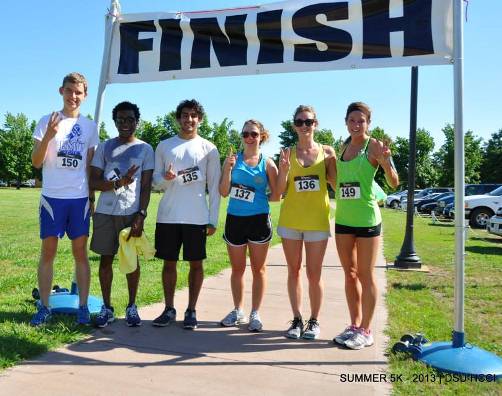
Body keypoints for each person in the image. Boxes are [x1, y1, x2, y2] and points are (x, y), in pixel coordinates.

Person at [30, 72, 99, 326]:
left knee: (80, 253)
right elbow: (36, 162)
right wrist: (49, 134)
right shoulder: (46, 120)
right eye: (69, 90)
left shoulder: (90, 127)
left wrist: (91, 197)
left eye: (78, 92)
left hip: (78, 199)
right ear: (61, 91)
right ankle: (44, 306)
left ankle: (82, 306)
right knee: (48, 252)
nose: (73, 96)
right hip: (53, 198)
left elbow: (90, 166)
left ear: (85, 95)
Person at [333, 102, 399, 350]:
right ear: (346, 122)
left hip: (367, 221)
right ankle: (354, 325)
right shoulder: (344, 146)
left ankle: (367, 330)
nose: (356, 124)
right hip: (343, 220)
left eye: (361, 120)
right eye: (352, 120)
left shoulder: (374, 146)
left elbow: (393, 182)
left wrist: (384, 161)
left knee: (365, 273)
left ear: (368, 123)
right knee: (349, 275)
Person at [152, 99, 221, 330]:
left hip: (196, 217)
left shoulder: (209, 148)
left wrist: (213, 219)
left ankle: (191, 310)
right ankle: (169, 308)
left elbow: (214, 186)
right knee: (168, 264)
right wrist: (166, 179)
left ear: (199, 119)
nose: (188, 119)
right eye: (184, 115)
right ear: (178, 118)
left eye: (193, 115)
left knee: (196, 265)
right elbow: (156, 183)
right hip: (169, 216)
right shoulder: (164, 146)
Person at [89, 101, 154, 328]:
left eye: (129, 119)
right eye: (120, 120)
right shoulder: (104, 147)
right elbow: (94, 181)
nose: (125, 124)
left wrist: (141, 215)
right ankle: (106, 308)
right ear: (114, 122)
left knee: (131, 261)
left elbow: (146, 187)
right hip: (106, 212)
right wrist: (119, 183)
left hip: (130, 214)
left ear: (137, 121)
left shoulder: (145, 149)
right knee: (105, 260)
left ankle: (132, 307)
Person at [276, 105, 336, 340]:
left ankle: (314, 320)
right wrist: (283, 170)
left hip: (317, 221)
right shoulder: (286, 153)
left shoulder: (326, 151)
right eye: (299, 122)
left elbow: (334, 184)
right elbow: (279, 191)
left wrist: (332, 162)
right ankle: (297, 319)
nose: (304, 126)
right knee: (293, 271)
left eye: (308, 122)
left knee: (314, 274)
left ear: (315, 124)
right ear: (294, 126)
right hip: (291, 220)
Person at [219, 120, 279, 332]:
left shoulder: (268, 163)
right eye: (245, 134)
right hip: (235, 219)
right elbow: (224, 191)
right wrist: (226, 168)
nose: (249, 138)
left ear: (261, 136)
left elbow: (276, 195)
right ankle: (238, 310)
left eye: (253, 134)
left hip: (259, 219)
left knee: (258, 269)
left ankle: (255, 312)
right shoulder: (232, 161)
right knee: (237, 269)